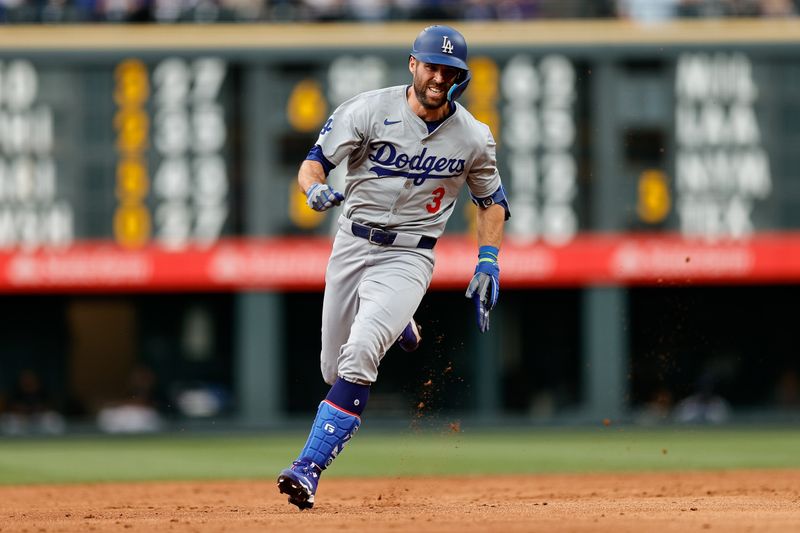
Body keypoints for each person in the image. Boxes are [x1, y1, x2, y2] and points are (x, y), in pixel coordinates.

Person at [276, 24, 510, 511]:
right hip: (352, 243)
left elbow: (491, 201)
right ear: (413, 64)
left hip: (409, 253)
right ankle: (397, 318)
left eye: (450, 70)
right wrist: (313, 188)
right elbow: (313, 162)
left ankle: (307, 469)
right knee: (331, 368)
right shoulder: (368, 109)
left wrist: (488, 259)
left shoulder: (473, 136)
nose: (440, 77)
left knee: (360, 353)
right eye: (432, 66)